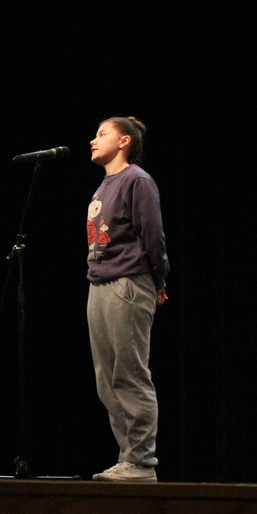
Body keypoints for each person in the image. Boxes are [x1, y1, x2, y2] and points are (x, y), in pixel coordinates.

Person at [86, 116, 169, 482]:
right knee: (106, 380)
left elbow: (153, 234)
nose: (93, 140)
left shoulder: (137, 180)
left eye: (102, 133)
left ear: (124, 142)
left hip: (128, 282)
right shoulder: (104, 186)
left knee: (130, 374)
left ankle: (142, 462)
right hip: (99, 283)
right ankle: (127, 457)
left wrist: (157, 279)